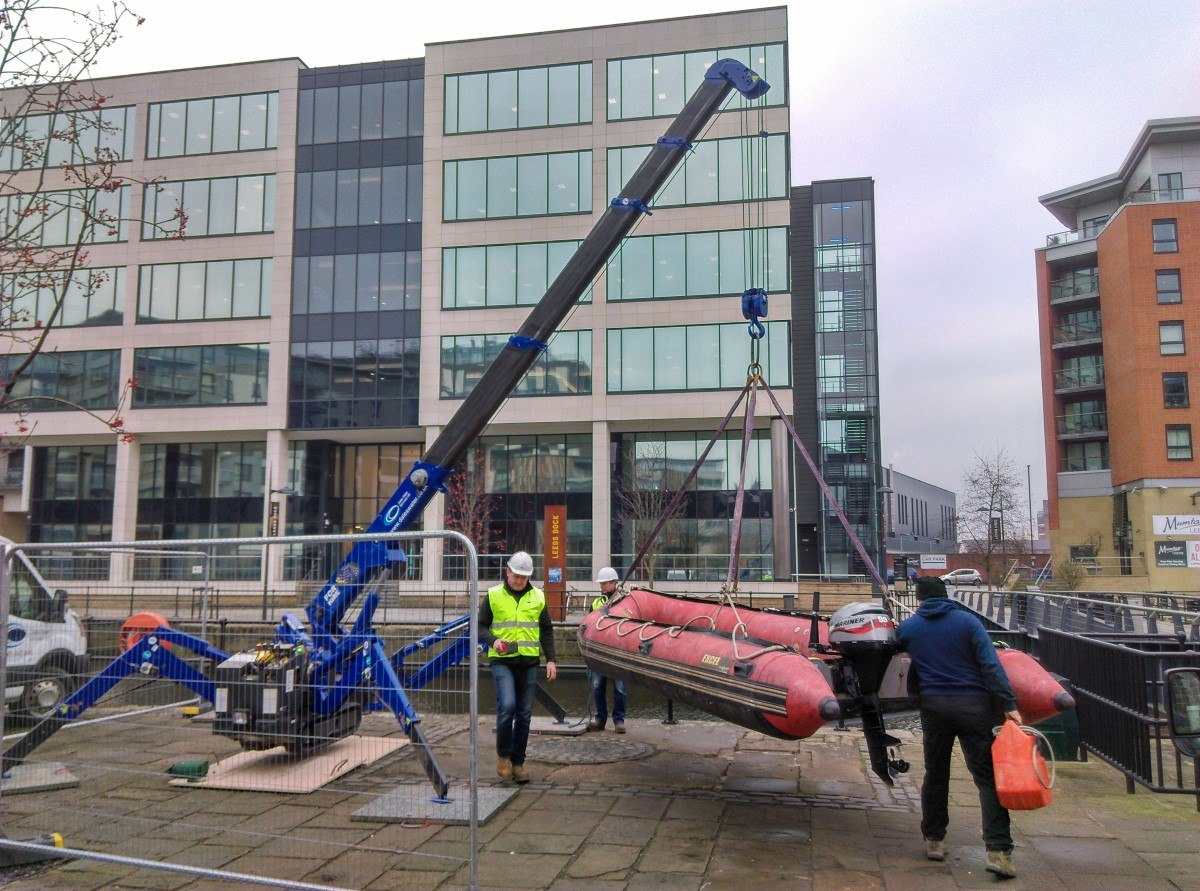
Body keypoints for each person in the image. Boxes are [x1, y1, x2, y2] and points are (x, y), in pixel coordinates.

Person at [898, 576, 1023, 879]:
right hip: (973, 708)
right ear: (946, 595)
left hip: (934, 708)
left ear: (920, 600)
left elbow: (892, 650)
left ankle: (934, 841)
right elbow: (991, 666)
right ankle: (999, 852)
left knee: (936, 773)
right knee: (987, 780)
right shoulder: (968, 623)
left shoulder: (909, 628)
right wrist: (1009, 704)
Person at [479, 551, 557, 784]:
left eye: (524, 577)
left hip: (529, 663)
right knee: (508, 707)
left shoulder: (538, 597)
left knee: (524, 715)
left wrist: (551, 660)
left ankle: (518, 763)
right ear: (507, 572)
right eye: (516, 576)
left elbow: (546, 629)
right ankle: (503, 756)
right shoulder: (493, 595)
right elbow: (480, 625)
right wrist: (494, 641)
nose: (519, 581)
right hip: (502, 661)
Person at [586, 567, 627, 733]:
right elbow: (588, 626)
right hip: (599, 652)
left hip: (618, 652)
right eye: (600, 583)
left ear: (614, 583)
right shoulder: (596, 603)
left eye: (604, 583)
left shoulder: (624, 602)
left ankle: (619, 720)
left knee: (620, 688)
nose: (601, 586)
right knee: (598, 685)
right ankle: (600, 719)